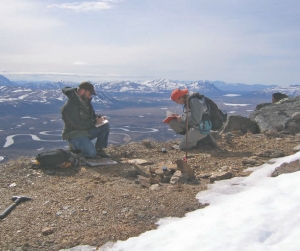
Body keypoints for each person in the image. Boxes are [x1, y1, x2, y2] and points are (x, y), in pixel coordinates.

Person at [61, 81, 110, 159]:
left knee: (105, 126)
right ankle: (75, 149)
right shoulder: (70, 106)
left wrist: (99, 118)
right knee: (91, 154)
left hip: (85, 131)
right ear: (83, 91)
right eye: (89, 94)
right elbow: (77, 124)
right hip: (74, 134)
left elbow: (92, 116)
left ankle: (99, 149)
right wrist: (95, 122)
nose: (90, 97)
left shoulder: (85, 102)